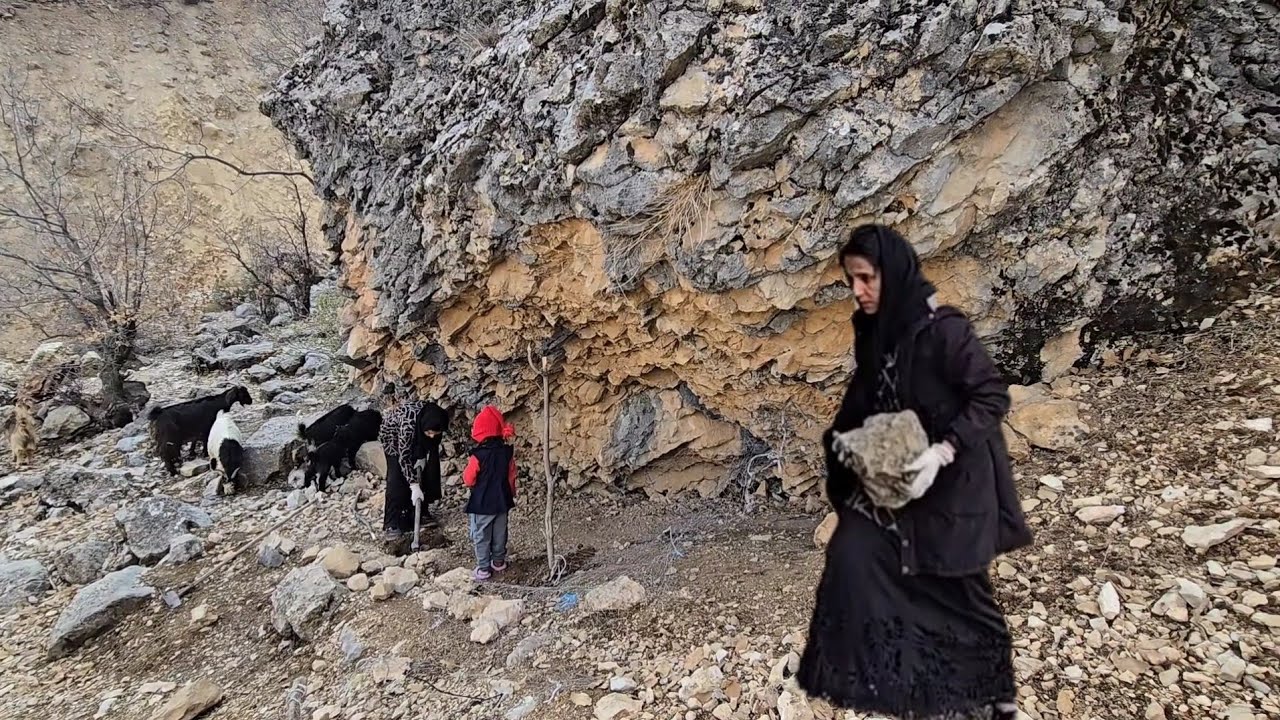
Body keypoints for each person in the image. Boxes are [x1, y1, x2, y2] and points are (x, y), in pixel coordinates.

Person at [797, 224, 1033, 720]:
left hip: (959, 478)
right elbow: (869, 397)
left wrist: (942, 452)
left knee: (963, 592)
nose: (858, 291)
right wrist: (847, 438)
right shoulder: (878, 332)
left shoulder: (945, 329)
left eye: (866, 278)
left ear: (894, 273)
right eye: (851, 281)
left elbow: (991, 397)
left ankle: (998, 702)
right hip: (906, 481)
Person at [378, 395, 450, 553]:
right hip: (394, 441)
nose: (433, 436)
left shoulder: (434, 419)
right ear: (425, 427)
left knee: (427, 473)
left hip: (418, 439)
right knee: (397, 479)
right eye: (430, 432)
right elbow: (403, 457)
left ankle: (421, 513)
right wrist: (413, 485)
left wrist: (423, 458)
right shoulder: (408, 424)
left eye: (435, 433)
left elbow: (430, 442)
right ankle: (393, 522)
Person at [462, 405, 517, 581]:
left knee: (482, 535)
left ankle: (483, 568)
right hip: (502, 500)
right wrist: (511, 494)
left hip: (482, 502)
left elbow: (469, 478)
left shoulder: (478, 455)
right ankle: (499, 562)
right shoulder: (507, 453)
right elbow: (511, 476)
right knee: (500, 533)